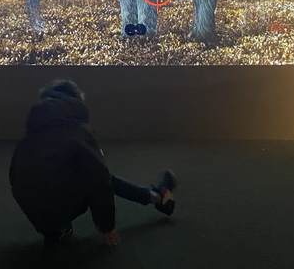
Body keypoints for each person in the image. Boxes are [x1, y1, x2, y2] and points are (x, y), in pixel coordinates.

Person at [9, 79, 176, 246]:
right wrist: (107, 228)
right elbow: (101, 182)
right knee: (100, 175)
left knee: (79, 173)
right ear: (74, 102)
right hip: (58, 206)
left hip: (34, 212)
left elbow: (15, 176)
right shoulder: (78, 132)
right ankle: (158, 197)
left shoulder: (30, 134)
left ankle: (57, 230)